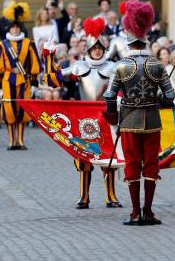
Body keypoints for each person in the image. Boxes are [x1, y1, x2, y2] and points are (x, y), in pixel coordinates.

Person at [104, 0, 175, 226]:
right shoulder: (157, 65)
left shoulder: (121, 66)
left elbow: (109, 96)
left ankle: (135, 212)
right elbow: (171, 96)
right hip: (152, 119)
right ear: (145, 38)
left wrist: (113, 118)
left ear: (129, 40)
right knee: (151, 163)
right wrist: (162, 102)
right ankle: (149, 211)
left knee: (132, 163)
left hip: (128, 120)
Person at [43, 16, 122, 209]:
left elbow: (121, 90)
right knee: (83, 158)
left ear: (103, 49)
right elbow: (52, 80)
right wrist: (48, 56)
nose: (97, 50)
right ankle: (84, 196)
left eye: (99, 48)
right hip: (84, 118)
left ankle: (111, 196)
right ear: (88, 49)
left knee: (107, 158)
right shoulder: (79, 66)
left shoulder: (112, 67)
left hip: (106, 116)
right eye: (94, 48)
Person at [0, 1, 40, 149]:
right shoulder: (2, 44)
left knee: (23, 110)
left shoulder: (28, 43)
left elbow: (34, 65)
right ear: (9, 29)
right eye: (13, 27)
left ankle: (21, 141)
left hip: (24, 81)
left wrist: (34, 84)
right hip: (7, 81)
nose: (15, 30)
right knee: (9, 111)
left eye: (18, 27)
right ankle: (12, 141)